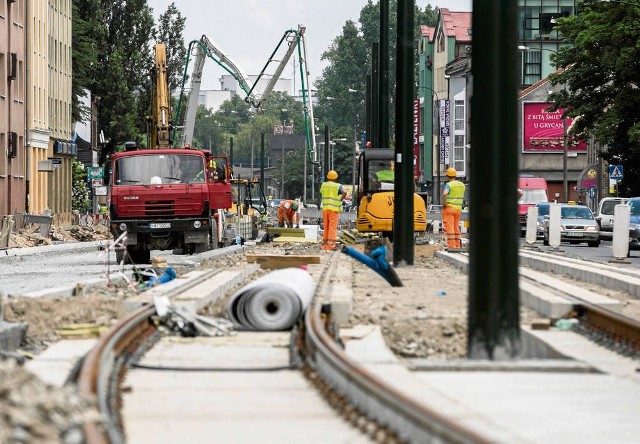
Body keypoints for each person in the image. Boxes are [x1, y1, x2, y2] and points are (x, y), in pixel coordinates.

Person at [320, 170, 347, 251]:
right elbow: (344, 192)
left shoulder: (323, 185)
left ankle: (325, 246)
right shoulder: (337, 186)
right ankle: (331, 246)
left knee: (326, 227)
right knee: (332, 228)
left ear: (328, 177)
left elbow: (322, 192)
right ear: (336, 178)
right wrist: (340, 199)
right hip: (333, 210)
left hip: (325, 209)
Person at [441, 167, 465, 250]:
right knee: (456, 227)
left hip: (449, 208)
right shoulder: (462, 185)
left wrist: (444, 204)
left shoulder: (449, 184)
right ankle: (457, 246)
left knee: (450, 227)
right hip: (458, 210)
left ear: (447, 176)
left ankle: (452, 247)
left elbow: (444, 194)